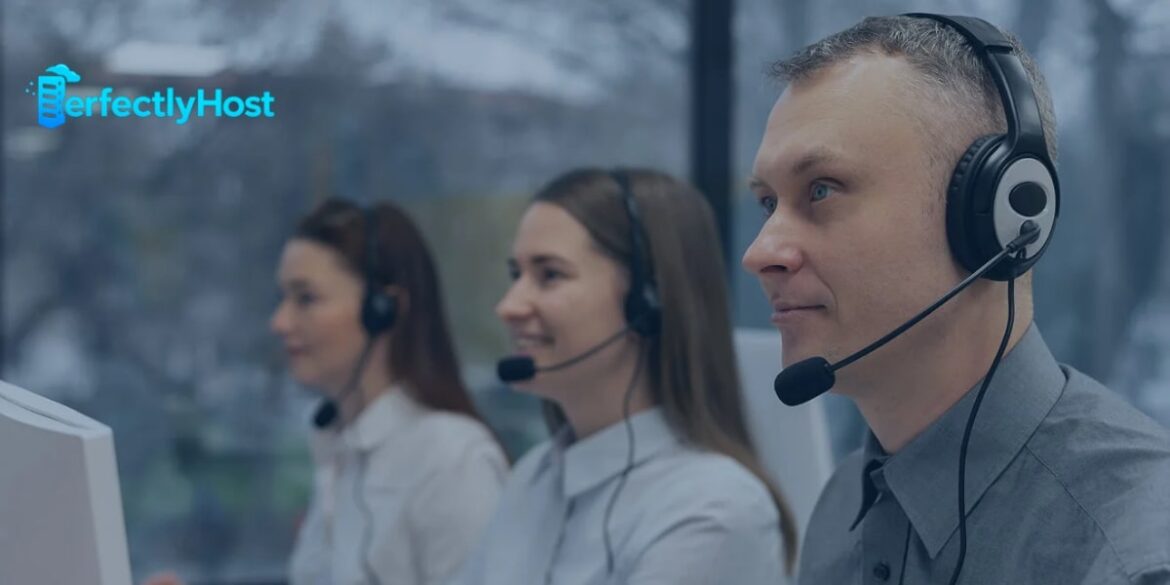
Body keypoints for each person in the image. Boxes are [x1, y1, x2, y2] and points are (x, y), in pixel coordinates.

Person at [742, 13, 1170, 585]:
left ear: (1001, 215)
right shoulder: (843, 501)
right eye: (769, 203)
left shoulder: (1134, 553)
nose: (760, 252)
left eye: (821, 189)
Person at [450, 168, 798, 585]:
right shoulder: (535, 476)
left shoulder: (712, 511)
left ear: (645, 303)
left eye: (550, 275)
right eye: (516, 275)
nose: (510, 306)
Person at [147, 198, 507, 585]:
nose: (280, 322)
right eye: (282, 298)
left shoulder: (453, 460)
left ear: (383, 308)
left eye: (306, 298)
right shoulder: (342, 454)